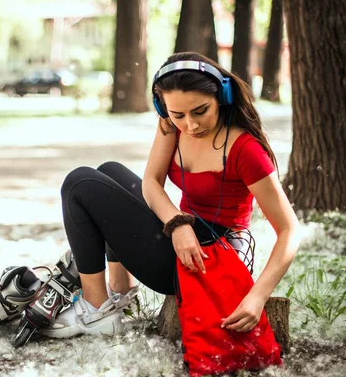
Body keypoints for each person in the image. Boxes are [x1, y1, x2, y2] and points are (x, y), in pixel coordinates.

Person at [39, 51, 300, 339]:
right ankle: (120, 290)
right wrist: (178, 223)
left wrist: (257, 296)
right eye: (178, 115)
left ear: (222, 96)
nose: (190, 125)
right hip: (184, 237)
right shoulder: (170, 125)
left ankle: (95, 309)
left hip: (211, 260)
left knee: (79, 184)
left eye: (200, 111)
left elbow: (289, 230)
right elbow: (151, 181)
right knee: (109, 171)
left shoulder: (246, 151)